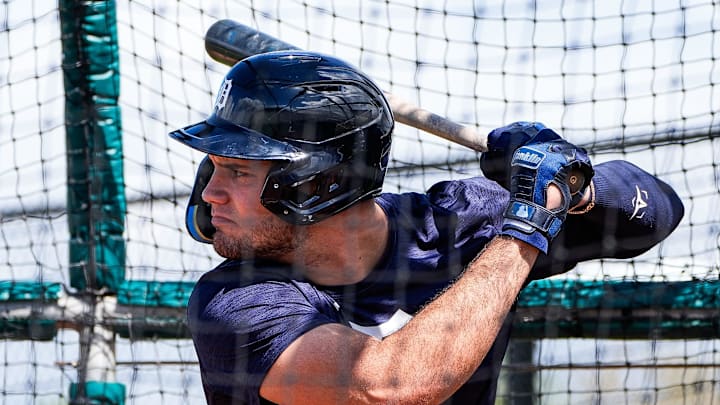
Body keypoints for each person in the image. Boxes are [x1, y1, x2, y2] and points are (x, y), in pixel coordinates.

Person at [170, 50, 684, 404]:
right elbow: (389, 390)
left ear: (316, 183)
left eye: (237, 172)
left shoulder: (457, 222)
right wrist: (527, 226)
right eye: (213, 167)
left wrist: (569, 183)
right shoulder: (235, 301)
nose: (211, 192)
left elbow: (657, 213)